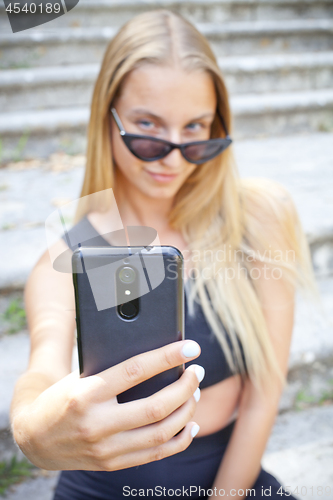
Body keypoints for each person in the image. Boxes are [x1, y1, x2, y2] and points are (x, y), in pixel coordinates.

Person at [10, 9, 315, 500]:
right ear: (106, 117)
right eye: (147, 126)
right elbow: (43, 365)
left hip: (229, 477)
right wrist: (29, 428)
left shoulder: (257, 216)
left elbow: (264, 393)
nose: (172, 157)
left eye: (195, 129)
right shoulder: (79, 243)